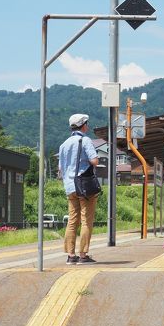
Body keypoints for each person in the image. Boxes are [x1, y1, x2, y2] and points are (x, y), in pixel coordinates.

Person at [58, 113, 99, 265]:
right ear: (83, 125)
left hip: (69, 187)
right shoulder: (85, 140)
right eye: (86, 123)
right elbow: (94, 160)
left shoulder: (63, 145)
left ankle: (70, 255)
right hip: (84, 186)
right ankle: (83, 255)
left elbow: (60, 169)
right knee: (86, 221)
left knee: (72, 221)